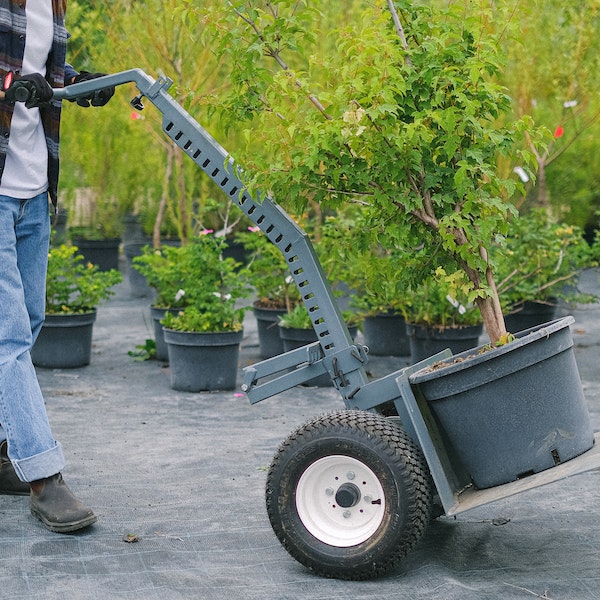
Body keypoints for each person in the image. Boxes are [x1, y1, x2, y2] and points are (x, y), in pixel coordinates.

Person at [0, 1, 114, 533]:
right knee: (9, 336)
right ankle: (45, 476)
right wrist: (12, 82)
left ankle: (6, 448)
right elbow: (13, 71)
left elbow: (40, 70)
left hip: (33, 183)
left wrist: (73, 82)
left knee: (33, 318)